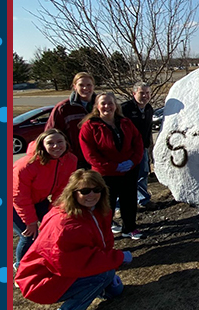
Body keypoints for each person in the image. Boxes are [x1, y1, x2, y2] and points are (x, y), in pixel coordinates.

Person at [14, 169, 133, 310]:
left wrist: (111, 265)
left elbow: (102, 244)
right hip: (41, 281)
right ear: (73, 192)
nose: (92, 195)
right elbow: (72, 262)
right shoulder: (64, 223)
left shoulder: (97, 211)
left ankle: (99, 288)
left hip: (60, 274)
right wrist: (117, 258)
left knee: (113, 284)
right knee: (103, 275)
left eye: (97, 189)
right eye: (85, 191)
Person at [79, 92, 145, 240]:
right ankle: (104, 233)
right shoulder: (90, 126)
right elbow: (90, 154)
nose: (107, 106)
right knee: (106, 204)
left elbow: (138, 142)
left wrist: (133, 161)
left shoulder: (125, 122)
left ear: (116, 105)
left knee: (129, 200)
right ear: (97, 106)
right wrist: (113, 166)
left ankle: (130, 228)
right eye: (103, 103)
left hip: (128, 170)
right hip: (105, 174)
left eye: (110, 103)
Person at [11, 128, 77, 270]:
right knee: (29, 235)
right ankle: (21, 267)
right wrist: (30, 221)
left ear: (66, 142)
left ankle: (54, 258)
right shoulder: (26, 165)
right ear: (42, 145)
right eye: (50, 143)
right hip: (13, 203)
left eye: (60, 141)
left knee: (56, 227)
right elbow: (19, 196)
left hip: (39, 199)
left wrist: (56, 212)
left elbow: (63, 188)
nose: (56, 146)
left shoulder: (70, 160)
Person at [44, 72, 96, 168]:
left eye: (89, 85)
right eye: (81, 85)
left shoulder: (102, 105)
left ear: (93, 86)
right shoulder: (64, 108)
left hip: (99, 158)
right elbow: (50, 133)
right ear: (74, 86)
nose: (85, 88)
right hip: (75, 159)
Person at [121, 82, 155, 209]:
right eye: (141, 93)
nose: (145, 96)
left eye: (147, 93)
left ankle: (143, 200)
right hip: (126, 149)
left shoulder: (149, 109)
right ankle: (120, 205)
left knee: (142, 175)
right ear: (134, 93)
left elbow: (149, 130)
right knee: (124, 177)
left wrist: (148, 146)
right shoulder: (125, 109)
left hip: (142, 149)